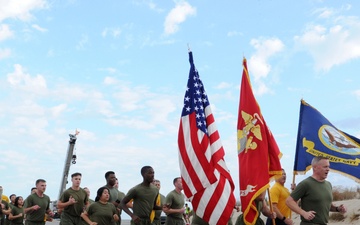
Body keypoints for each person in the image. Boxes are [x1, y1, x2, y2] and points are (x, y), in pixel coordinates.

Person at [286, 156, 347, 225]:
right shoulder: (306, 184)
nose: (328, 169)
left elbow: (326, 205)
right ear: (315, 167)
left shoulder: (328, 184)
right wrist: (303, 213)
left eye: (328, 167)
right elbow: (289, 201)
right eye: (325, 167)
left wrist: (337, 209)